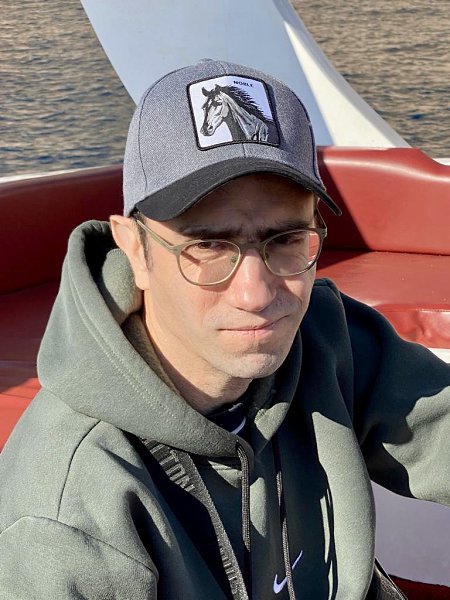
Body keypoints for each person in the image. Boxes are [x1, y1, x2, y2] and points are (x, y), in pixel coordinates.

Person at [0, 59, 449, 600]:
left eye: (287, 239)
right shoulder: (67, 514)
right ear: (134, 248)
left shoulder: (325, 338)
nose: (256, 295)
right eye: (208, 245)